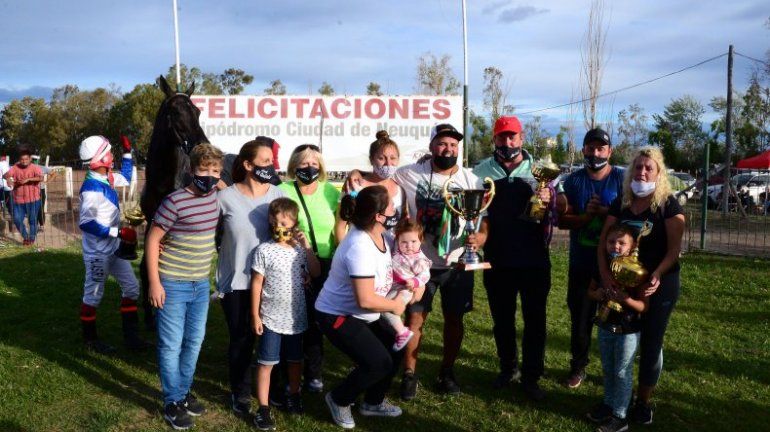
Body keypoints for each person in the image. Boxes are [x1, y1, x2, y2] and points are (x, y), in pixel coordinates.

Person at [598, 146, 685, 425]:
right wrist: (607, 277)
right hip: (622, 284)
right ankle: (614, 398)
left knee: (651, 343)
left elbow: (674, 251)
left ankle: (643, 402)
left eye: (649, 167)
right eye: (638, 167)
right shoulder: (620, 203)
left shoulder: (669, 205)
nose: (642, 172)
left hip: (658, 285)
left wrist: (656, 275)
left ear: (659, 173)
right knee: (618, 338)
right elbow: (603, 244)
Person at [472, 115, 554, 401]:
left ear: (521, 138)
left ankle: (532, 376)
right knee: (502, 320)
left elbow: (563, 204)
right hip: (498, 259)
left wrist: (550, 196)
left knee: (535, 321)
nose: (508, 142)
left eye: (513, 136)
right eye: (502, 137)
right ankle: (508, 369)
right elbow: (474, 213)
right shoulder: (481, 170)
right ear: (494, 139)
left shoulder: (541, 169)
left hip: (534, 260)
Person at [145, 143, 224, 431]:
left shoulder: (217, 194)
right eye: (204, 169)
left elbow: (230, 188)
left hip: (201, 284)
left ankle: (184, 390)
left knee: (194, 341)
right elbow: (153, 239)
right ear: (192, 170)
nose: (210, 175)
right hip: (172, 283)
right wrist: (154, 282)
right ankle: (172, 401)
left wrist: (221, 179)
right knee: (171, 344)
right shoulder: (175, 201)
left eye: (215, 170)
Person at [315, 185, 408, 429]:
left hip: (365, 313)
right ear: (378, 215)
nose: (394, 207)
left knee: (396, 347)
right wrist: (395, 305)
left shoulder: (383, 235)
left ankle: (372, 403)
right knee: (378, 362)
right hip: (338, 314)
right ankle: (338, 399)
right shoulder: (359, 245)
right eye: (390, 205)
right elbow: (365, 299)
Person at [216, 137, 286, 415]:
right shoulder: (225, 197)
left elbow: (290, 236)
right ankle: (241, 393)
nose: (271, 166)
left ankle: (275, 390)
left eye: (272, 161)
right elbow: (201, 227)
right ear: (247, 164)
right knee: (242, 339)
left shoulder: (280, 196)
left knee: (274, 339)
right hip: (236, 282)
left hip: (274, 284)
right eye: (265, 161)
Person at [556, 128, 625, 389]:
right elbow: (562, 220)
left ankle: (615, 370)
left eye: (601, 149)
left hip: (616, 266)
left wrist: (605, 211)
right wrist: (585, 217)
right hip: (582, 263)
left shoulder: (621, 178)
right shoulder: (573, 181)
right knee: (581, 319)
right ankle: (578, 367)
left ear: (609, 151)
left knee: (616, 320)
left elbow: (630, 216)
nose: (595, 153)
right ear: (583, 150)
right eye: (591, 148)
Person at [250, 198, 321, 430]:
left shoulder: (299, 251)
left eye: (287, 223)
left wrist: (307, 245)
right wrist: (255, 315)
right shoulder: (264, 250)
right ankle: (263, 407)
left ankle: (294, 394)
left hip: (296, 318)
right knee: (266, 362)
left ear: (295, 224)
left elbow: (316, 271)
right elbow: (257, 284)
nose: (281, 227)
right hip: (270, 317)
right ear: (271, 222)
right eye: (277, 221)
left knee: (294, 360)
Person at [76, 135, 149, 353]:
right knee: (93, 295)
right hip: (98, 253)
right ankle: (90, 341)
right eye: (110, 152)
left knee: (132, 287)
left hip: (113, 248)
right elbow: (86, 223)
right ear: (100, 158)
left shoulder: (106, 178)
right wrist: (117, 231)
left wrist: (128, 153)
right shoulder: (91, 189)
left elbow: (126, 178)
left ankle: (132, 337)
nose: (112, 156)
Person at [279, 144, 340, 393]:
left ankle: (314, 373)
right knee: (294, 318)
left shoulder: (330, 191)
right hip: (295, 263)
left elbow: (341, 224)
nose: (309, 168)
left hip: (328, 264)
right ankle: (287, 370)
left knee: (318, 320)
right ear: (294, 166)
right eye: (303, 164)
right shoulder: (283, 190)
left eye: (314, 164)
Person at [586, 223, 649, 432]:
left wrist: (626, 299)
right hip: (605, 325)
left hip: (628, 330)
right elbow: (590, 291)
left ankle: (620, 416)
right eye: (611, 241)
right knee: (608, 368)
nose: (616, 246)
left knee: (622, 371)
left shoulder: (636, 272)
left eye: (622, 243)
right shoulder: (602, 268)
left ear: (631, 247)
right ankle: (608, 404)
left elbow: (643, 306)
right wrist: (600, 295)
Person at [336, 131, 407, 242]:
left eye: (393, 158)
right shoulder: (354, 184)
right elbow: (340, 226)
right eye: (381, 158)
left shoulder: (401, 189)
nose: (388, 163)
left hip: (390, 254)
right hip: (360, 251)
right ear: (371, 159)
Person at [384, 220, 431, 351]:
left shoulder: (419, 260)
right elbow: (388, 233)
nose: (409, 246)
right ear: (397, 241)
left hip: (406, 289)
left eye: (414, 242)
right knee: (383, 307)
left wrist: (415, 282)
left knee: (387, 307)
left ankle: (402, 332)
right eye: (404, 242)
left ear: (420, 241)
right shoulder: (397, 248)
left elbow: (425, 275)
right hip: (393, 286)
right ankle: (395, 333)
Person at [2, 147, 43, 245]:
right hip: (18, 200)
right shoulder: (15, 167)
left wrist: (28, 180)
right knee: (17, 220)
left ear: (30, 159)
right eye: (22, 159)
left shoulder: (35, 167)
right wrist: (8, 179)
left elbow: (41, 177)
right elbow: (5, 175)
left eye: (26, 159)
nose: (24, 161)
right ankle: (26, 237)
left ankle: (31, 241)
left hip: (33, 200)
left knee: (32, 221)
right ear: (19, 159)